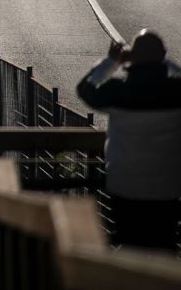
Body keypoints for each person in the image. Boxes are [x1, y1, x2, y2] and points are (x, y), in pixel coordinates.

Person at [77, 30, 181, 251]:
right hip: (167, 186)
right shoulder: (176, 92)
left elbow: (86, 88)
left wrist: (112, 62)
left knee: (130, 241)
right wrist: (164, 60)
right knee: (164, 242)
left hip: (124, 182)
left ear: (133, 56)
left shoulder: (117, 91)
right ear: (162, 54)